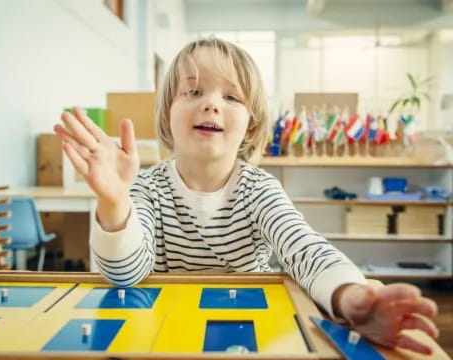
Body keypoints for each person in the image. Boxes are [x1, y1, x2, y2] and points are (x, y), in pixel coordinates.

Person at [54, 37, 438, 355]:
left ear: (251, 124)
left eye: (232, 97)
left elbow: (304, 249)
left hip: (246, 329)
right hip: (163, 335)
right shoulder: (146, 187)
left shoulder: (258, 188)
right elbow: (124, 275)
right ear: (167, 112)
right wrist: (114, 202)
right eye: (193, 90)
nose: (211, 103)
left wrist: (351, 297)